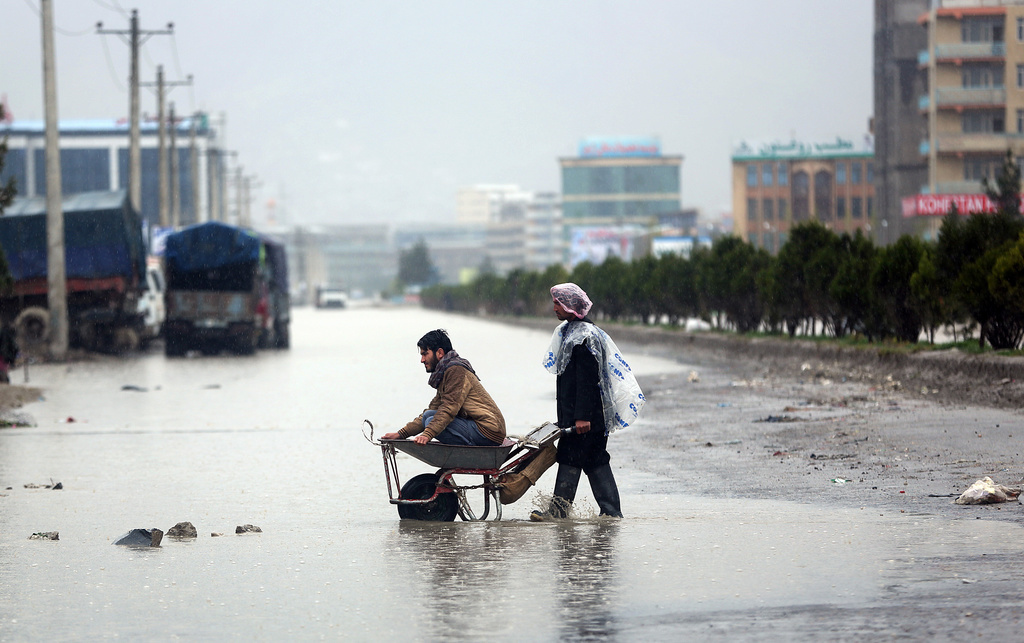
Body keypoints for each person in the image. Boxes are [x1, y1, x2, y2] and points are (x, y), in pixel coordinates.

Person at [531, 283, 645, 520]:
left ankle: (559, 513)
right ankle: (611, 515)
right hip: (585, 417)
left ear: (571, 306)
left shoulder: (584, 338)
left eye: (557, 303)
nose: (554, 308)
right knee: (594, 460)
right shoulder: (573, 332)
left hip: (585, 418)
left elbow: (587, 381)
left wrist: (581, 416)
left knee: (572, 457)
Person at [381, 329, 506, 446]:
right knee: (428, 416)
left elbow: (449, 408)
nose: (422, 360)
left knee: (430, 421)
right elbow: (435, 408)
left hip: (487, 431)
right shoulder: (446, 371)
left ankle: (465, 455)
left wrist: (427, 434)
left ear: (440, 353)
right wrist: (402, 434)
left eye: (425, 354)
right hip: (480, 428)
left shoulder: (456, 370)